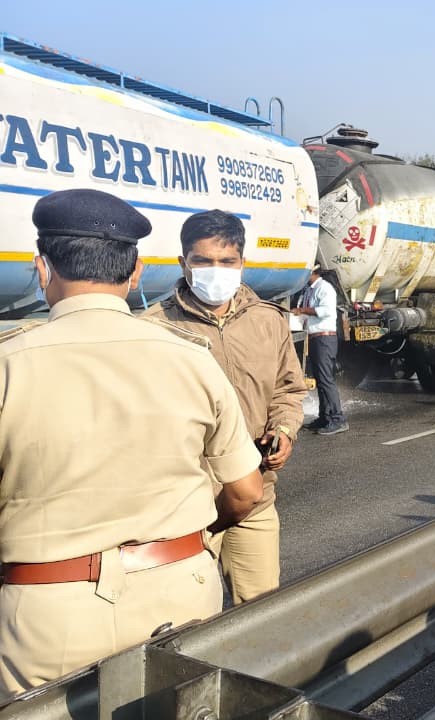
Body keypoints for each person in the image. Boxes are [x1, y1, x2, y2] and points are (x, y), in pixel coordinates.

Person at [0, 189, 264, 697]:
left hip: (47, 608)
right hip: (180, 593)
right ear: (136, 272)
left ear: (42, 268)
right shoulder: (191, 358)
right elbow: (247, 491)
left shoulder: (10, 365)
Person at [147, 210, 307, 604]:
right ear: (184, 264)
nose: (215, 270)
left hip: (254, 496)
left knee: (259, 615)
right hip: (185, 507)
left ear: (242, 263)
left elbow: (289, 389)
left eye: (226, 261)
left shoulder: (268, 321)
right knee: (183, 625)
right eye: (203, 261)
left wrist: (284, 430)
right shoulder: (155, 328)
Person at [292, 264, 348, 435]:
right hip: (314, 337)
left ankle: (338, 419)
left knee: (326, 379)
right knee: (320, 380)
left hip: (325, 338)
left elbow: (326, 311)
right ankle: (324, 417)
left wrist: (302, 310)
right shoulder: (308, 290)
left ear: (312, 272)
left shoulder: (325, 288)